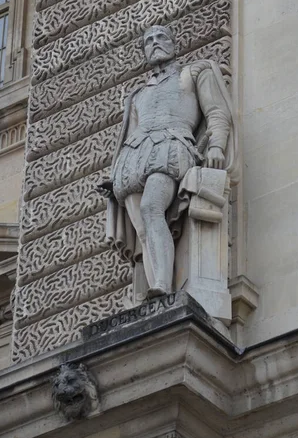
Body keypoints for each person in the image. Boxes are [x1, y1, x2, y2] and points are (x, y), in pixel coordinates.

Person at [98, 25, 235, 298]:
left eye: (161, 37)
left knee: (152, 208)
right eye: (148, 40)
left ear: (174, 44)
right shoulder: (137, 95)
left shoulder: (194, 73)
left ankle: (164, 284)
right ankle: (155, 290)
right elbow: (130, 134)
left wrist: (217, 145)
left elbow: (217, 112)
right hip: (133, 159)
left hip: (172, 149)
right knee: (142, 230)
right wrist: (113, 178)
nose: (154, 42)